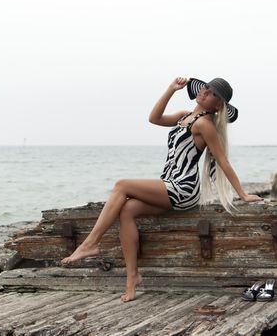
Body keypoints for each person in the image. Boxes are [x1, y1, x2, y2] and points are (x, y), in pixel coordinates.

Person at [61, 76, 263, 302]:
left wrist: (242, 194)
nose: (206, 93)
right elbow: (154, 118)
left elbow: (223, 161)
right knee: (127, 210)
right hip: (169, 183)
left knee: (121, 185)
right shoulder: (184, 116)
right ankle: (132, 278)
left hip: (183, 189)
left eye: (213, 94)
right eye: (206, 88)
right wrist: (171, 89)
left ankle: (91, 243)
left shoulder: (204, 125)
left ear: (218, 106)